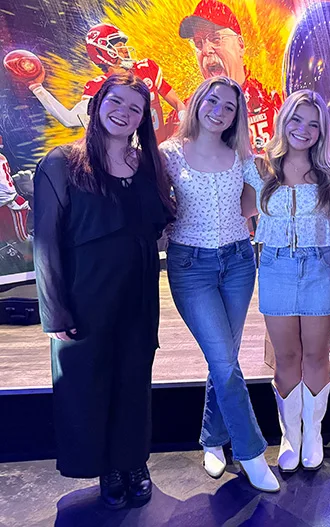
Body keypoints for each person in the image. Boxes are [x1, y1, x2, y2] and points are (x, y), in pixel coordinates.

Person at [33, 72, 173, 508]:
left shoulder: (147, 164)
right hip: (84, 298)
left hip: (138, 297)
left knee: (133, 380)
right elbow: (45, 243)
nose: (124, 113)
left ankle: (133, 462)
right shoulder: (60, 163)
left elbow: (155, 228)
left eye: (135, 108)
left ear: (143, 119)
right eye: (117, 102)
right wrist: (55, 313)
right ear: (98, 103)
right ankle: (106, 468)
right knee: (88, 385)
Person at [159, 76, 279, 492]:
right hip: (191, 266)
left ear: (236, 116)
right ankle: (250, 452)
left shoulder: (240, 153)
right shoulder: (169, 154)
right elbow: (157, 203)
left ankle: (212, 439)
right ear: (197, 102)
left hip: (238, 262)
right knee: (226, 362)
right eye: (213, 101)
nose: (219, 111)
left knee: (222, 357)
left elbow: (254, 200)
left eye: (229, 107)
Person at [241, 90, 330, 472]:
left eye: (312, 123)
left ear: (323, 130)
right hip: (275, 267)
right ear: (282, 121)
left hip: (322, 266)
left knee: (315, 355)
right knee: (286, 356)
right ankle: (290, 436)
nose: (303, 130)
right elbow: (238, 209)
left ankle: (313, 434)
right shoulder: (259, 169)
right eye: (296, 120)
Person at [27, 22, 185, 143]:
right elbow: (69, 120)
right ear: (102, 51)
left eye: (123, 45)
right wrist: (37, 88)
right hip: (135, 159)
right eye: (119, 46)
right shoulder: (97, 86)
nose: (125, 49)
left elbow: (177, 103)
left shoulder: (146, 68)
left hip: (164, 148)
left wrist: (185, 124)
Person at [168, 0, 281, 152]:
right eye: (198, 43)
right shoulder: (185, 115)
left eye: (215, 39)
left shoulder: (272, 101)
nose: (206, 50)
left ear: (240, 45)